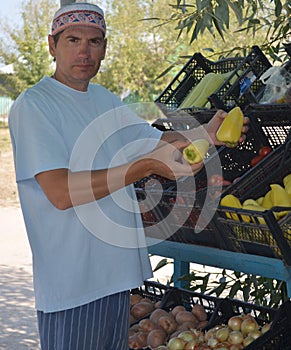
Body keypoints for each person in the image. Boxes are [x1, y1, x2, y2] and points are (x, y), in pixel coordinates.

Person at [8, 2, 248, 350]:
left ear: (105, 47)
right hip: (75, 285)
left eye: (95, 41)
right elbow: (60, 192)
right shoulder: (35, 105)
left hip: (116, 278)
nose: (84, 51)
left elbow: (155, 141)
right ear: (51, 45)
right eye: (73, 40)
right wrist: (144, 168)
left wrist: (206, 136)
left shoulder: (104, 100)